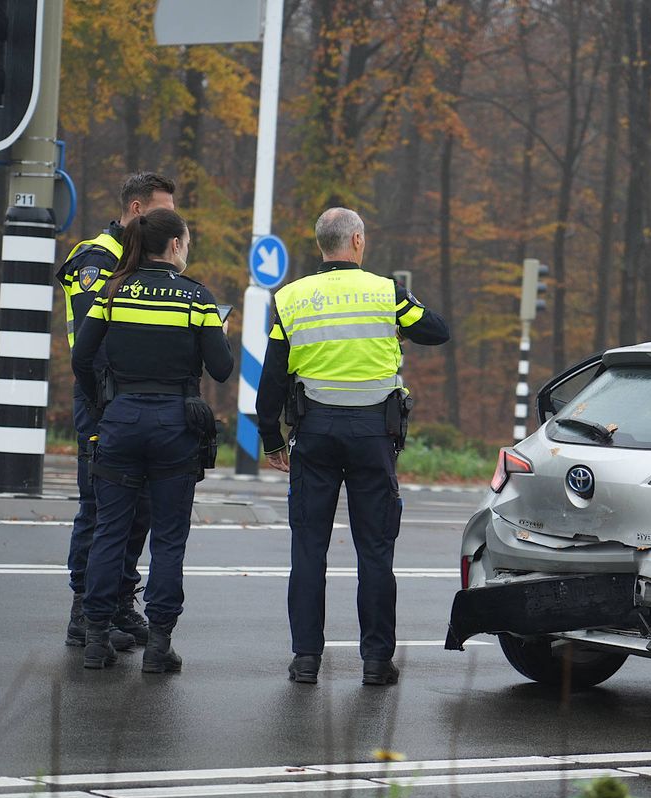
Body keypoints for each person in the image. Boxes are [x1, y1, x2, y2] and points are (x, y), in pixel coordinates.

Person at [255, 207, 450, 686]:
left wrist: (270, 438)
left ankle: (305, 660)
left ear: (321, 244)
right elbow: (438, 331)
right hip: (372, 439)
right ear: (357, 241)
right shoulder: (387, 292)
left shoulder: (290, 298)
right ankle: (376, 662)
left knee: (308, 550)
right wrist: (400, 320)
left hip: (314, 436)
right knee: (376, 551)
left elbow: (273, 377)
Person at [71, 208, 233, 673]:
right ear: (176, 246)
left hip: (120, 420)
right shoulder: (196, 298)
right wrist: (217, 334)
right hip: (174, 426)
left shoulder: (113, 290)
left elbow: (83, 357)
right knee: (168, 539)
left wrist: (104, 402)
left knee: (109, 530)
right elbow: (220, 369)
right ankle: (159, 645)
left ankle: (96, 639)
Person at [56, 172, 177, 650]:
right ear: (136, 210)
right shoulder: (95, 258)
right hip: (101, 400)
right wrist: (109, 398)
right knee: (99, 506)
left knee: (139, 509)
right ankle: (84, 609)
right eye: (163, 212)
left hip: (135, 404)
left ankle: (120, 601)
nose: (171, 222)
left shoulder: (138, 263)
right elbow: (92, 342)